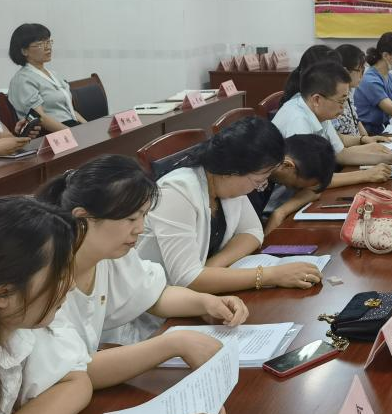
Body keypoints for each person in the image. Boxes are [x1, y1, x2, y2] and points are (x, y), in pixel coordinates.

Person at [0, 196, 226, 414]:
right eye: (58, 275)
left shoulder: (18, 327)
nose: (69, 286)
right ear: (2, 294)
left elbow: (76, 377)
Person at [37, 156, 251, 386]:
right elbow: (73, 372)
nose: (139, 228)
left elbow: (154, 293)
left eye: (143, 215)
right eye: (131, 218)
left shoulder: (109, 253)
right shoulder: (40, 277)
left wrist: (206, 303)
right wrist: (173, 344)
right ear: (83, 218)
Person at [137, 116, 323, 295]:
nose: (258, 187)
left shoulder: (225, 184)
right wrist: (269, 275)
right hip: (159, 305)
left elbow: (252, 231)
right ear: (231, 170)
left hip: (203, 294)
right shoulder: (176, 192)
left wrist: (211, 268)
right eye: (258, 180)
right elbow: (187, 278)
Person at [272, 60, 392, 188]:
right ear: (317, 99)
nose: (343, 109)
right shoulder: (298, 121)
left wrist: (388, 158)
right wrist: (366, 175)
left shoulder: (317, 110)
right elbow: (311, 181)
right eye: (341, 101)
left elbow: (340, 154)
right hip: (285, 195)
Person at [248, 134, 337, 234]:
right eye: (294, 186)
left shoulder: (270, 169)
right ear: (287, 165)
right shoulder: (250, 181)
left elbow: (313, 192)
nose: (289, 188)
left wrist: (280, 213)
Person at [6, 24, 86, 132]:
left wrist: (87, 127)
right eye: (40, 44)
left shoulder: (54, 74)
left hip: (70, 126)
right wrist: (73, 134)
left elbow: (70, 110)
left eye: (48, 42)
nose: (48, 47)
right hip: (50, 133)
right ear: (24, 51)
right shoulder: (22, 80)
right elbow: (40, 118)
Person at [332, 44, 392, 145]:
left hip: (359, 146)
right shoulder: (331, 98)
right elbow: (336, 141)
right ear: (345, 71)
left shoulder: (349, 93)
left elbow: (357, 123)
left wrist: (368, 142)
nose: (362, 75)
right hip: (348, 151)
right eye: (360, 70)